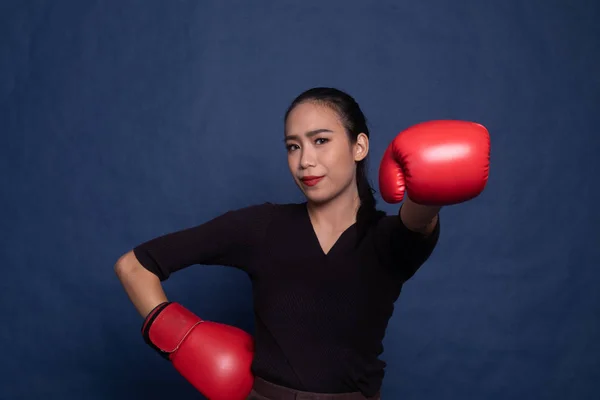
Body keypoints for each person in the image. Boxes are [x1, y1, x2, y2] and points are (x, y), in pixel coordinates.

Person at [114, 87, 490, 400]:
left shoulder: (388, 240)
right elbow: (134, 266)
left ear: (359, 146)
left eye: (320, 141)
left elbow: (420, 213)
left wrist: (431, 178)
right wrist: (181, 340)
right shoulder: (261, 227)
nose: (305, 160)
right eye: (293, 146)